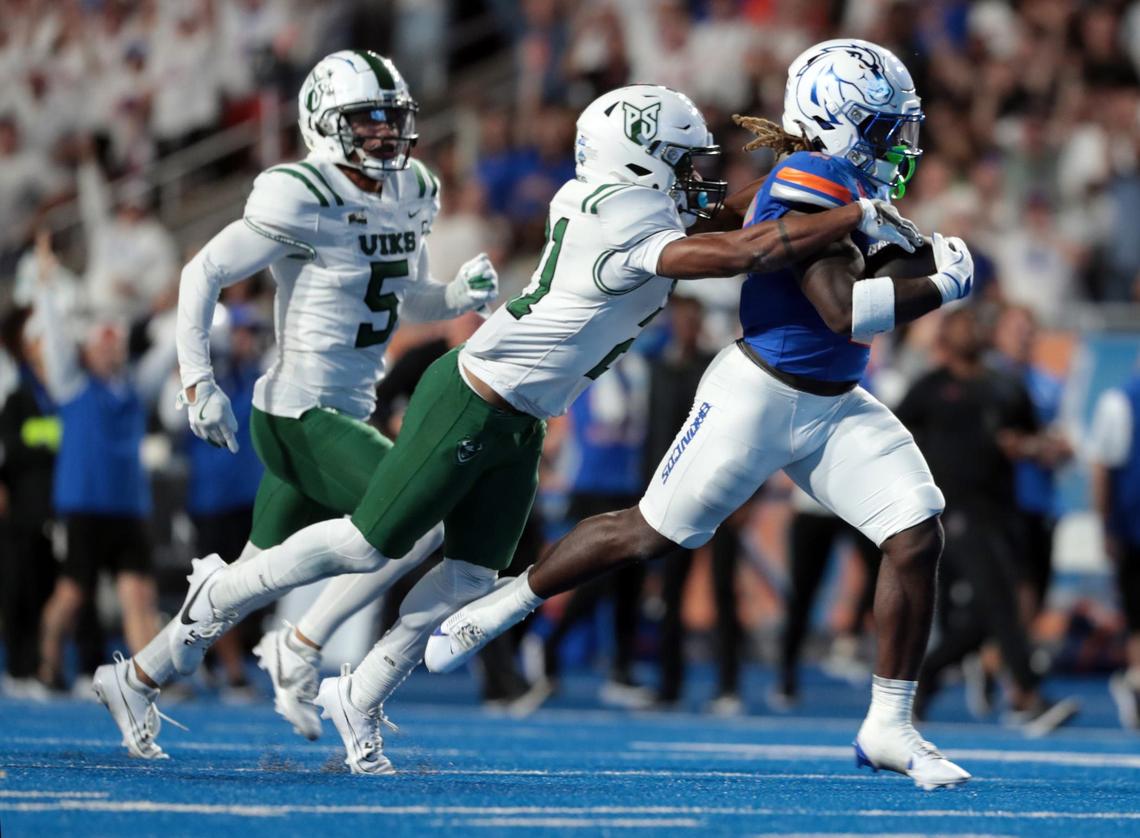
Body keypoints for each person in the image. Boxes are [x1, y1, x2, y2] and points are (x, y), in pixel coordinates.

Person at [150, 81, 919, 775]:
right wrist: (853, 213)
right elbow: (740, 251)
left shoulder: (626, 200)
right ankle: (219, 593)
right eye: (679, 161)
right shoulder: (626, 226)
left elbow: (736, 218)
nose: (695, 176)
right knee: (366, 543)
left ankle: (361, 695)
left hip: (525, 415)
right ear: (640, 161)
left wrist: (805, 177)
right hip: (473, 396)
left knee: (469, 579)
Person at [429, 41, 976, 790]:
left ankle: (888, 724)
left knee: (914, 532)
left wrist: (892, 251)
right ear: (838, 123)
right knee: (645, 534)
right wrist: (943, 286)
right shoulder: (816, 177)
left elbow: (846, 288)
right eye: (885, 128)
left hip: (832, 402)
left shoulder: (839, 177)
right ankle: (502, 605)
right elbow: (843, 311)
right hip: (757, 395)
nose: (901, 145)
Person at [93, 50, 498, 758]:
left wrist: (457, 298)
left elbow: (408, 297)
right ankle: (300, 646)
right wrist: (199, 383)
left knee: (254, 573)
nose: (383, 134)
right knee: (420, 521)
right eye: (366, 120)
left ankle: (137, 676)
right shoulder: (301, 192)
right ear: (323, 122)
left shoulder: (412, 189)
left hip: (345, 410)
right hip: (297, 413)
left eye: (391, 118)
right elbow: (204, 271)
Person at [903, 308, 1079, 735]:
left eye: (975, 324)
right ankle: (1029, 696)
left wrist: (1032, 447)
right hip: (954, 510)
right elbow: (895, 441)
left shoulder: (1004, 387)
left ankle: (920, 681)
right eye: (962, 325)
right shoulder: (928, 389)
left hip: (1002, 509)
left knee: (986, 612)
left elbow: (1034, 436)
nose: (971, 331)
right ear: (945, 336)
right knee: (1000, 600)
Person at [645, 295, 743, 713]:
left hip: (719, 494)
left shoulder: (717, 367)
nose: (686, 324)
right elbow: (653, 440)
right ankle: (669, 686)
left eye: (693, 317)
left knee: (724, 591)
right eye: (680, 316)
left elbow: (739, 432)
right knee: (671, 592)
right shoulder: (657, 369)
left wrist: (743, 494)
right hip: (672, 495)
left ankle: (727, 687)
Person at [1088, 364, 1140, 728]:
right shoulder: (1120, 401)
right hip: (1134, 524)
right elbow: (1103, 467)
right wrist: (1107, 527)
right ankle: (1136, 679)